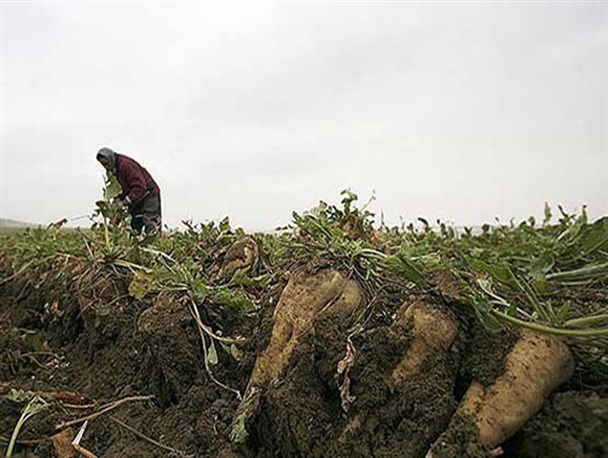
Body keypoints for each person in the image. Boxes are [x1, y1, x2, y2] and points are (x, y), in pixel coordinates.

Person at [96, 147, 162, 235]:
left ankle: (156, 245)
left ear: (111, 158)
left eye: (106, 164)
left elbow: (140, 187)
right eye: (103, 165)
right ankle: (135, 248)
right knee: (134, 227)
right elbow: (120, 190)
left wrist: (123, 202)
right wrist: (116, 205)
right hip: (136, 199)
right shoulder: (114, 171)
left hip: (148, 195)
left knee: (150, 224)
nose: (106, 167)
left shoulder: (126, 165)